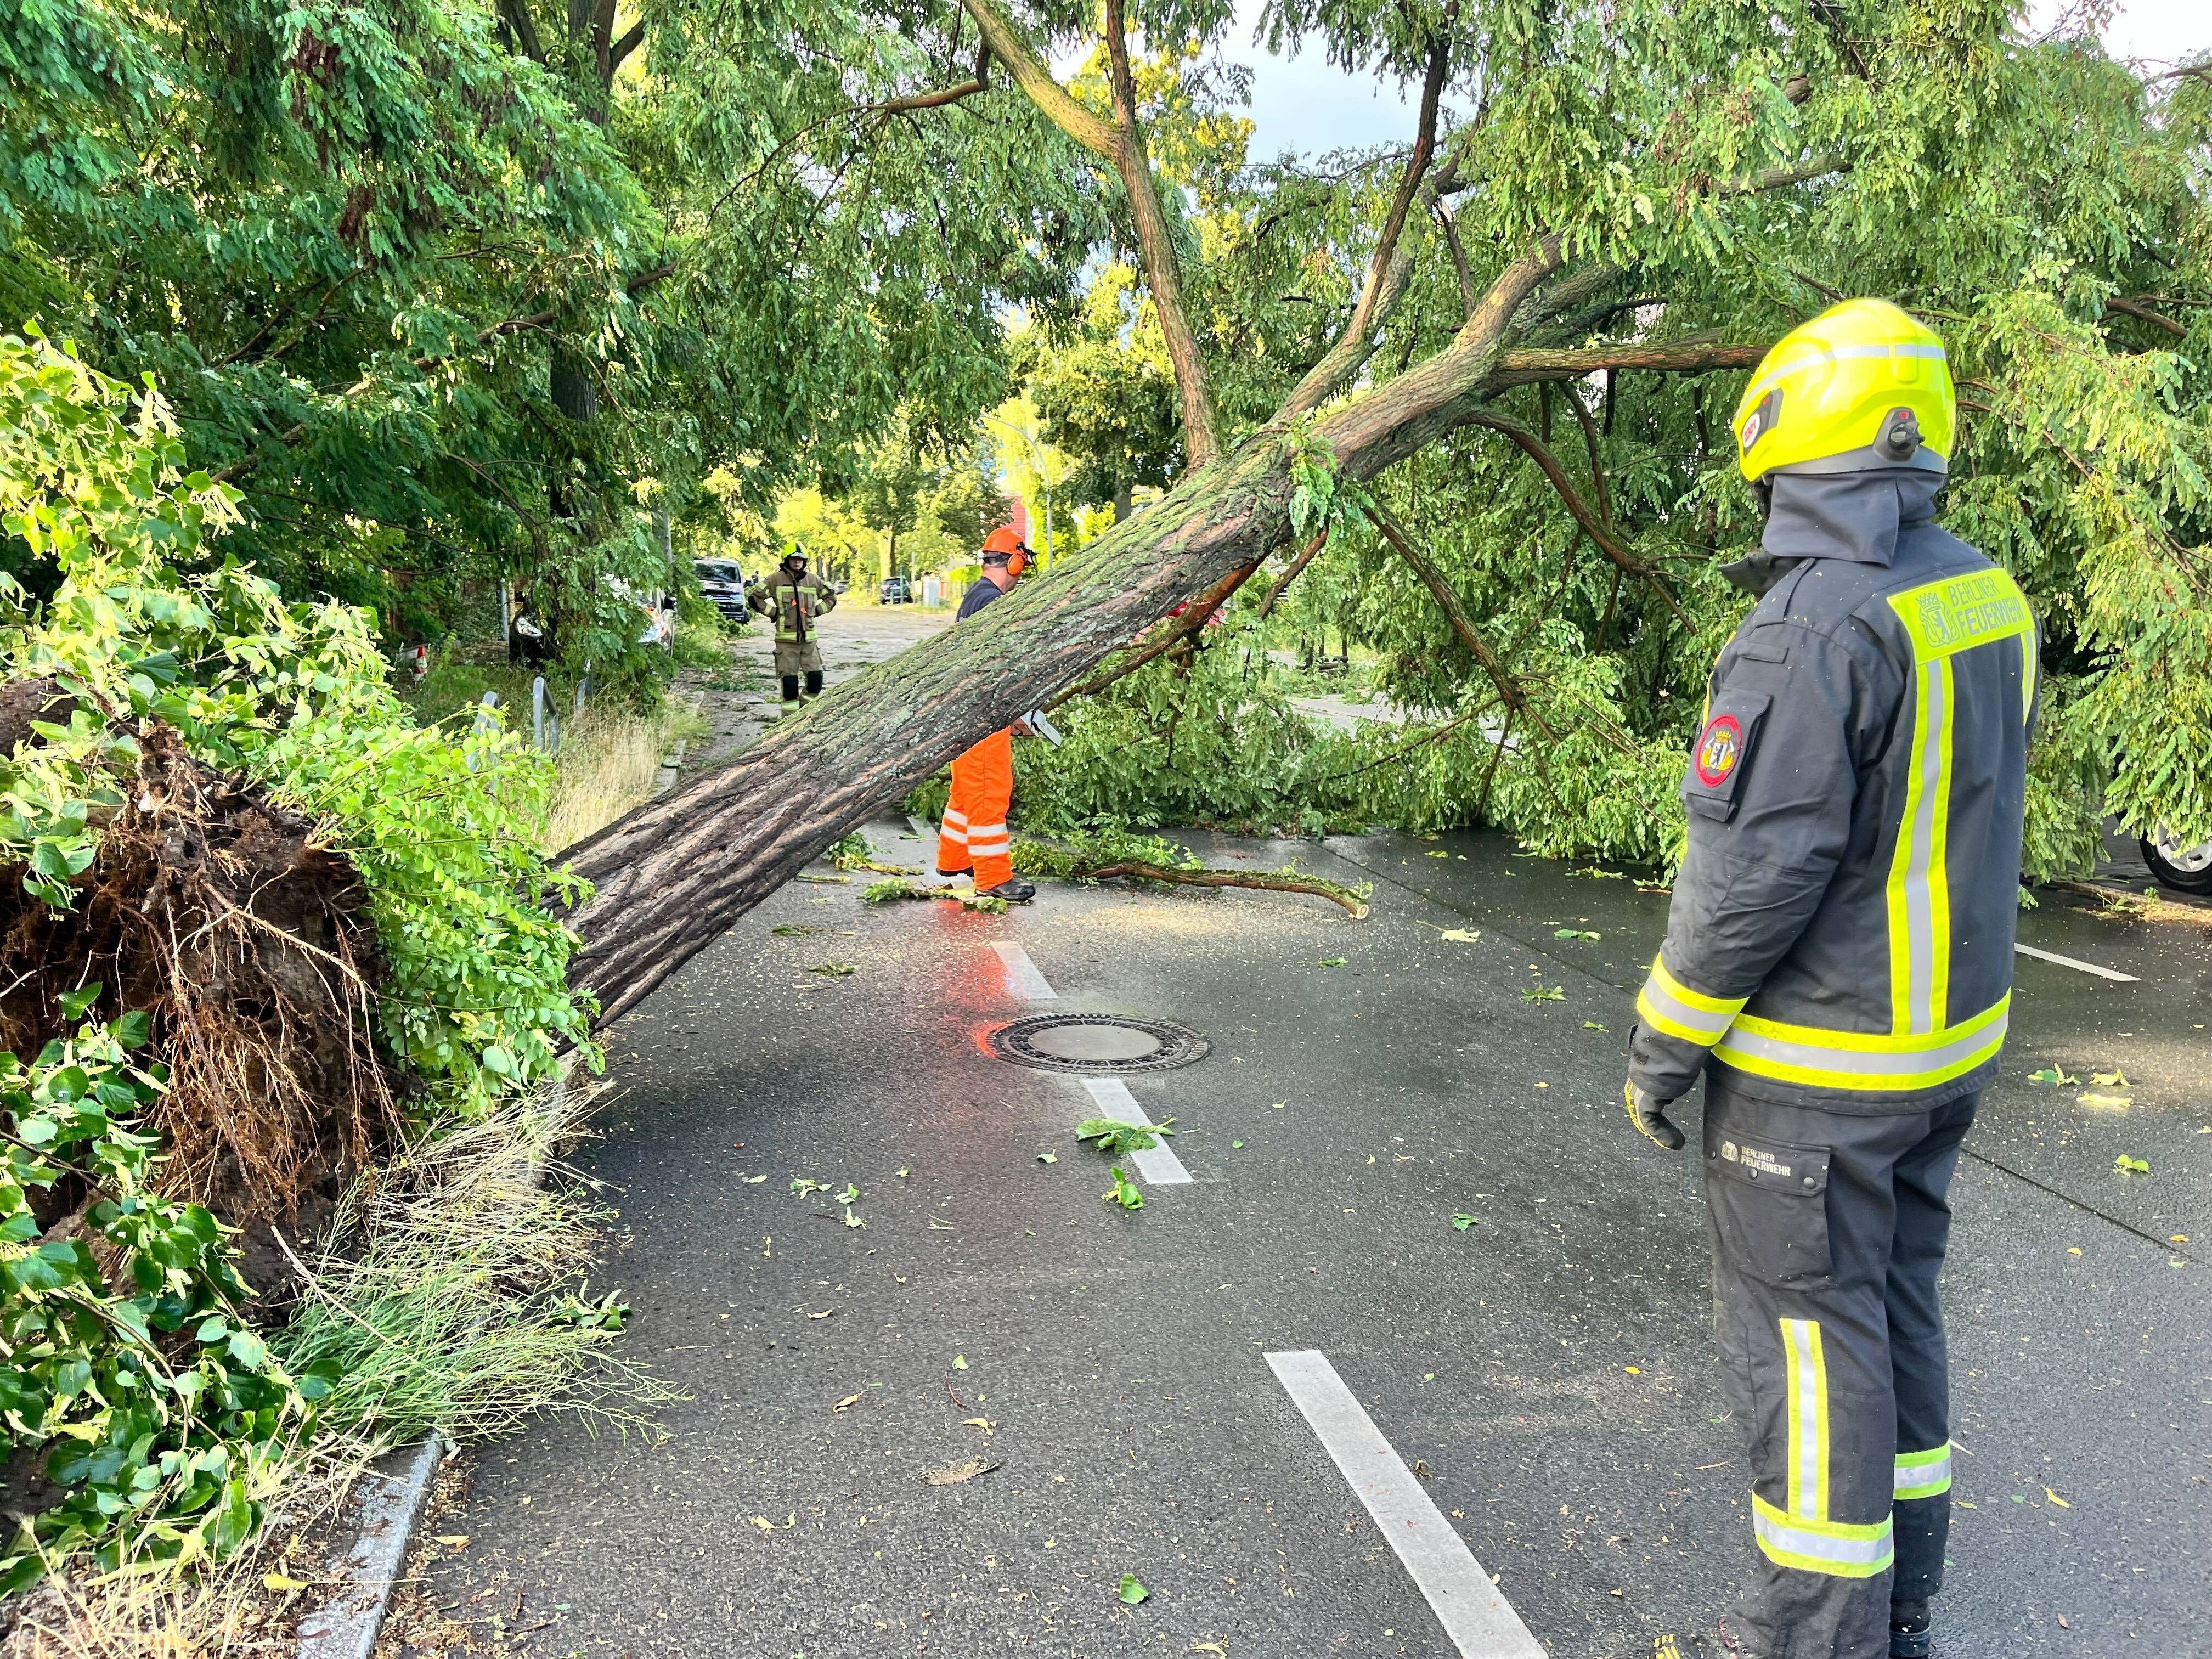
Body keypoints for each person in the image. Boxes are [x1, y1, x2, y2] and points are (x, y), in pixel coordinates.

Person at [1623, 300, 2036, 1659]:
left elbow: (1754, 879)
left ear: (1796, 446)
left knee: (1808, 1355)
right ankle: (1899, 1609)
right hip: (1941, 1059)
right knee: (1891, 1309)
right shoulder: (1980, 593)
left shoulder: (1810, 627)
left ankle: (1811, 1641)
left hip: (1818, 1076)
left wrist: (1660, 1049)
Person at [936, 526, 1038, 903]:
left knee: (965, 793)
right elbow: (999, 667)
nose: (1022, 572)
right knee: (989, 793)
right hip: (983, 715)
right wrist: (1015, 711)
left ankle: (954, 859)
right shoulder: (992, 602)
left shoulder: (975, 597)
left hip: (965, 712)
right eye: (1022, 564)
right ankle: (994, 877)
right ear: (1012, 561)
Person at [748, 543, 837, 715]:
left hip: (809, 643)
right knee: (789, 685)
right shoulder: (775, 580)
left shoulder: (813, 580)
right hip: (786, 643)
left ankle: (803, 711)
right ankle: (789, 722)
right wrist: (773, 613)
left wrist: (817, 611)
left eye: (801, 559)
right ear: (786, 560)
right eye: (794, 559)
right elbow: (754, 598)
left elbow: (831, 597)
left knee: (816, 681)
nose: (797, 562)